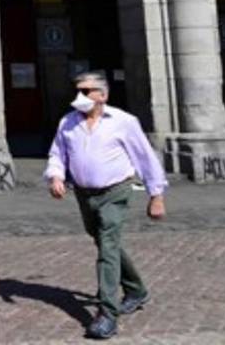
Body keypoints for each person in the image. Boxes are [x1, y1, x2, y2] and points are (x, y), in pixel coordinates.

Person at [45, 70, 167, 340]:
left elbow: (145, 158)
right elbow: (58, 153)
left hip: (115, 191)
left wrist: (156, 195)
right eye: (77, 90)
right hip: (84, 194)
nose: (79, 95)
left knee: (108, 247)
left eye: (86, 91)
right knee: (102, 240)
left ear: (102, 95)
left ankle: (107, 315)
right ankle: (136, 290)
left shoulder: (124, 122)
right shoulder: (68, 122)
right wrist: (56, 176)